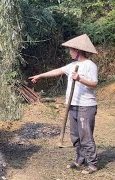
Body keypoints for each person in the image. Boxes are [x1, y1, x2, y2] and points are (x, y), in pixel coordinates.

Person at [29, 34, 98, 174]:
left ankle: (93, 164)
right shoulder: (72, 65)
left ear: (78, 50)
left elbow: (94, 84)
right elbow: (58, 71)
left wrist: (79, 79)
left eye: (71, 50)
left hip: (86, 106)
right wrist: (40, 75)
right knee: (75, 135)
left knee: (86, 136)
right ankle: (80, 160)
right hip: (72, 106)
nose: (69, 52)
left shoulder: (90, 65)